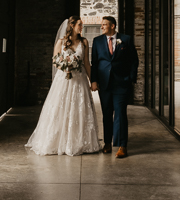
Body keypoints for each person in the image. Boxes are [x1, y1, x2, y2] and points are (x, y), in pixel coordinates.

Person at [25, 16, 101, 156]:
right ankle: (58, 141)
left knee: (79, 109)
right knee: (60, 109)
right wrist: (64, 67)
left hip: (79, 80)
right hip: (64, 80)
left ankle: (80, 142)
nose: (81, 27)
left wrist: (93, 81)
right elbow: (55, 61)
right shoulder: (61, 42)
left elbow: (86, 63)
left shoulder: (84, 42)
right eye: (79, 25)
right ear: (72, 25)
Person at [90, 16, 139, 158]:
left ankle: (122, 146)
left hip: (122, 83)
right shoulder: (97, 41)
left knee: (120, 113)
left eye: (105, 24)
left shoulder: (126, 39)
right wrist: (94, 81)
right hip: (104, 84)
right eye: (102, 24)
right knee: (106, 114)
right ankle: (107, 143)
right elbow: (95, 63)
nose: (102, 27)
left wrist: (130, 78)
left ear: (113, 26)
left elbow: (134, 61)